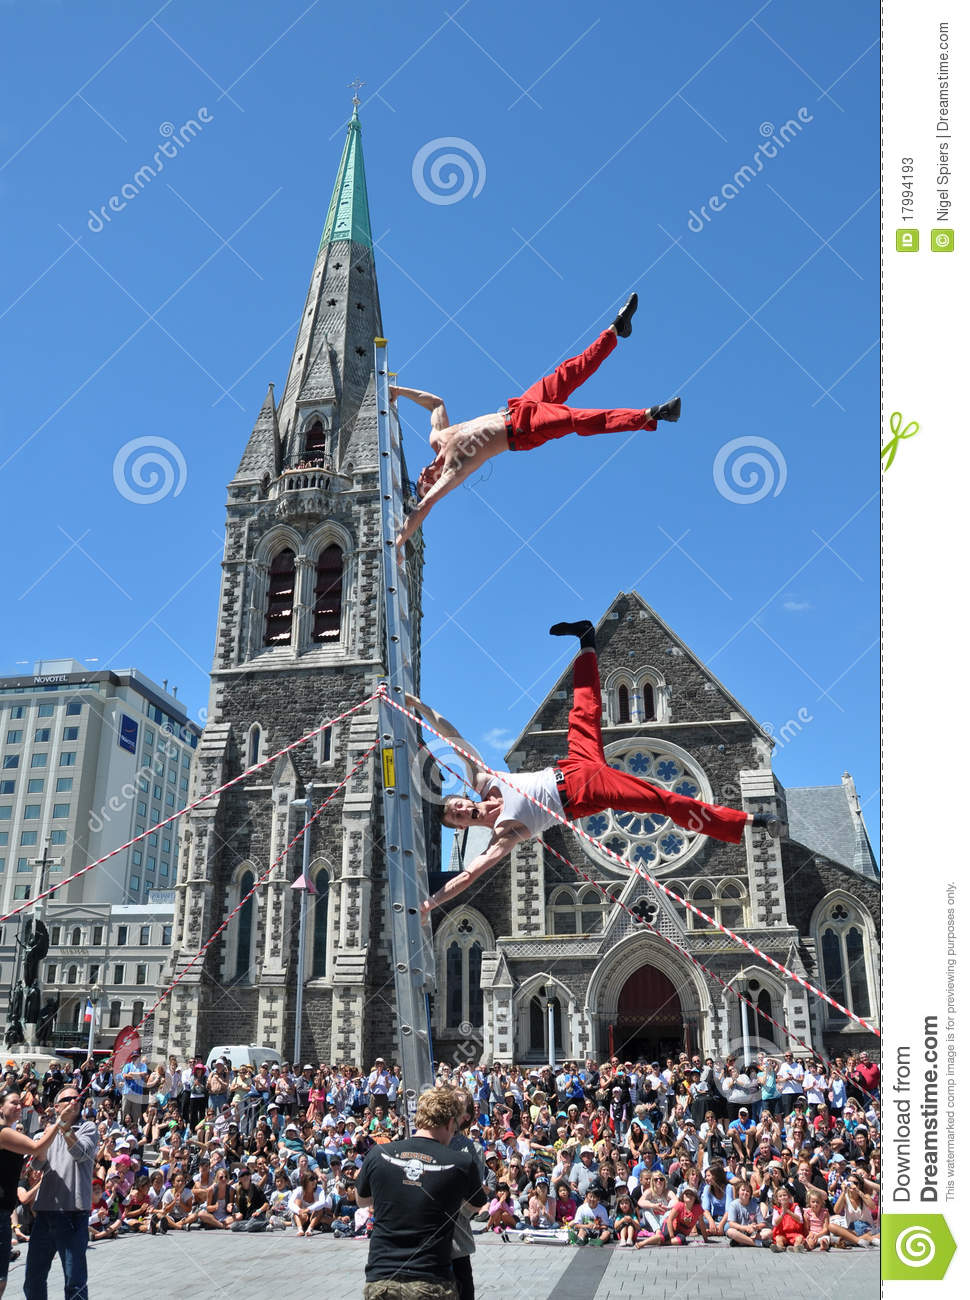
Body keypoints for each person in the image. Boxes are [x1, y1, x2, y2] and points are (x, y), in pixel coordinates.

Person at [415, 622, 775, 913]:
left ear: (461, 798)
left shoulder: (481, 780)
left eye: (456, 806)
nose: (461, 811)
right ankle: (747, 821)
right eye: (457, 818)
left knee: (582, 710)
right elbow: (467, 876)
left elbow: (451, 736)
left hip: (573, 764)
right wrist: (432, 902)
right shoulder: (502, 836)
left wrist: (419, 706)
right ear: (463, 826)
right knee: (661, 801)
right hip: (586, 792)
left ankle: (586, 642)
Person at [393, 295, 681, 548]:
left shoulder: (438, 437)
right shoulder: (454, 470)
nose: (422, 479)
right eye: (424, 484)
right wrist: (399, 543)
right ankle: (650, 415)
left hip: (519, 406)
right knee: (580, 419)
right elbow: (425, 505)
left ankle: (616, 330)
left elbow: (435, 402)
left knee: (571, 370)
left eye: (420, 481)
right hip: (522, 430)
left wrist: (397, 392)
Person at [356, 1086, 487, 1300]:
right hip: (429, 1281)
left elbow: (362, 1200)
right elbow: (474, 1206)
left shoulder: (379, 1153)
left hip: (382, 1281)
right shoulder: (460, 1162)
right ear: (450, 1122)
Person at [24, 1085, 97, 1300]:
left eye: (77, 1098)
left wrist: (63, 1126)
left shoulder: (88, 1127)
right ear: (56, 1107)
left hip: (73, 1212)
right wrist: (40, 1152)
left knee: (74, 1282)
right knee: (33, 1280)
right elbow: (37, 1164)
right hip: (45, 1213)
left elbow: (79, 1153)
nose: (75, 1101)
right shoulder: (49, 1130)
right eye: (68, 1099)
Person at [0, 1089, 61, 1296]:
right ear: (0, 1107)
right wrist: (59, 1123)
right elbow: (36, 1148)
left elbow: (39, 1152)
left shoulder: (11, 1133)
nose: (19, 1106)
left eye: (20, 1103)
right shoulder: (3, 1132)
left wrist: (47, 1134)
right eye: (13, 1103)